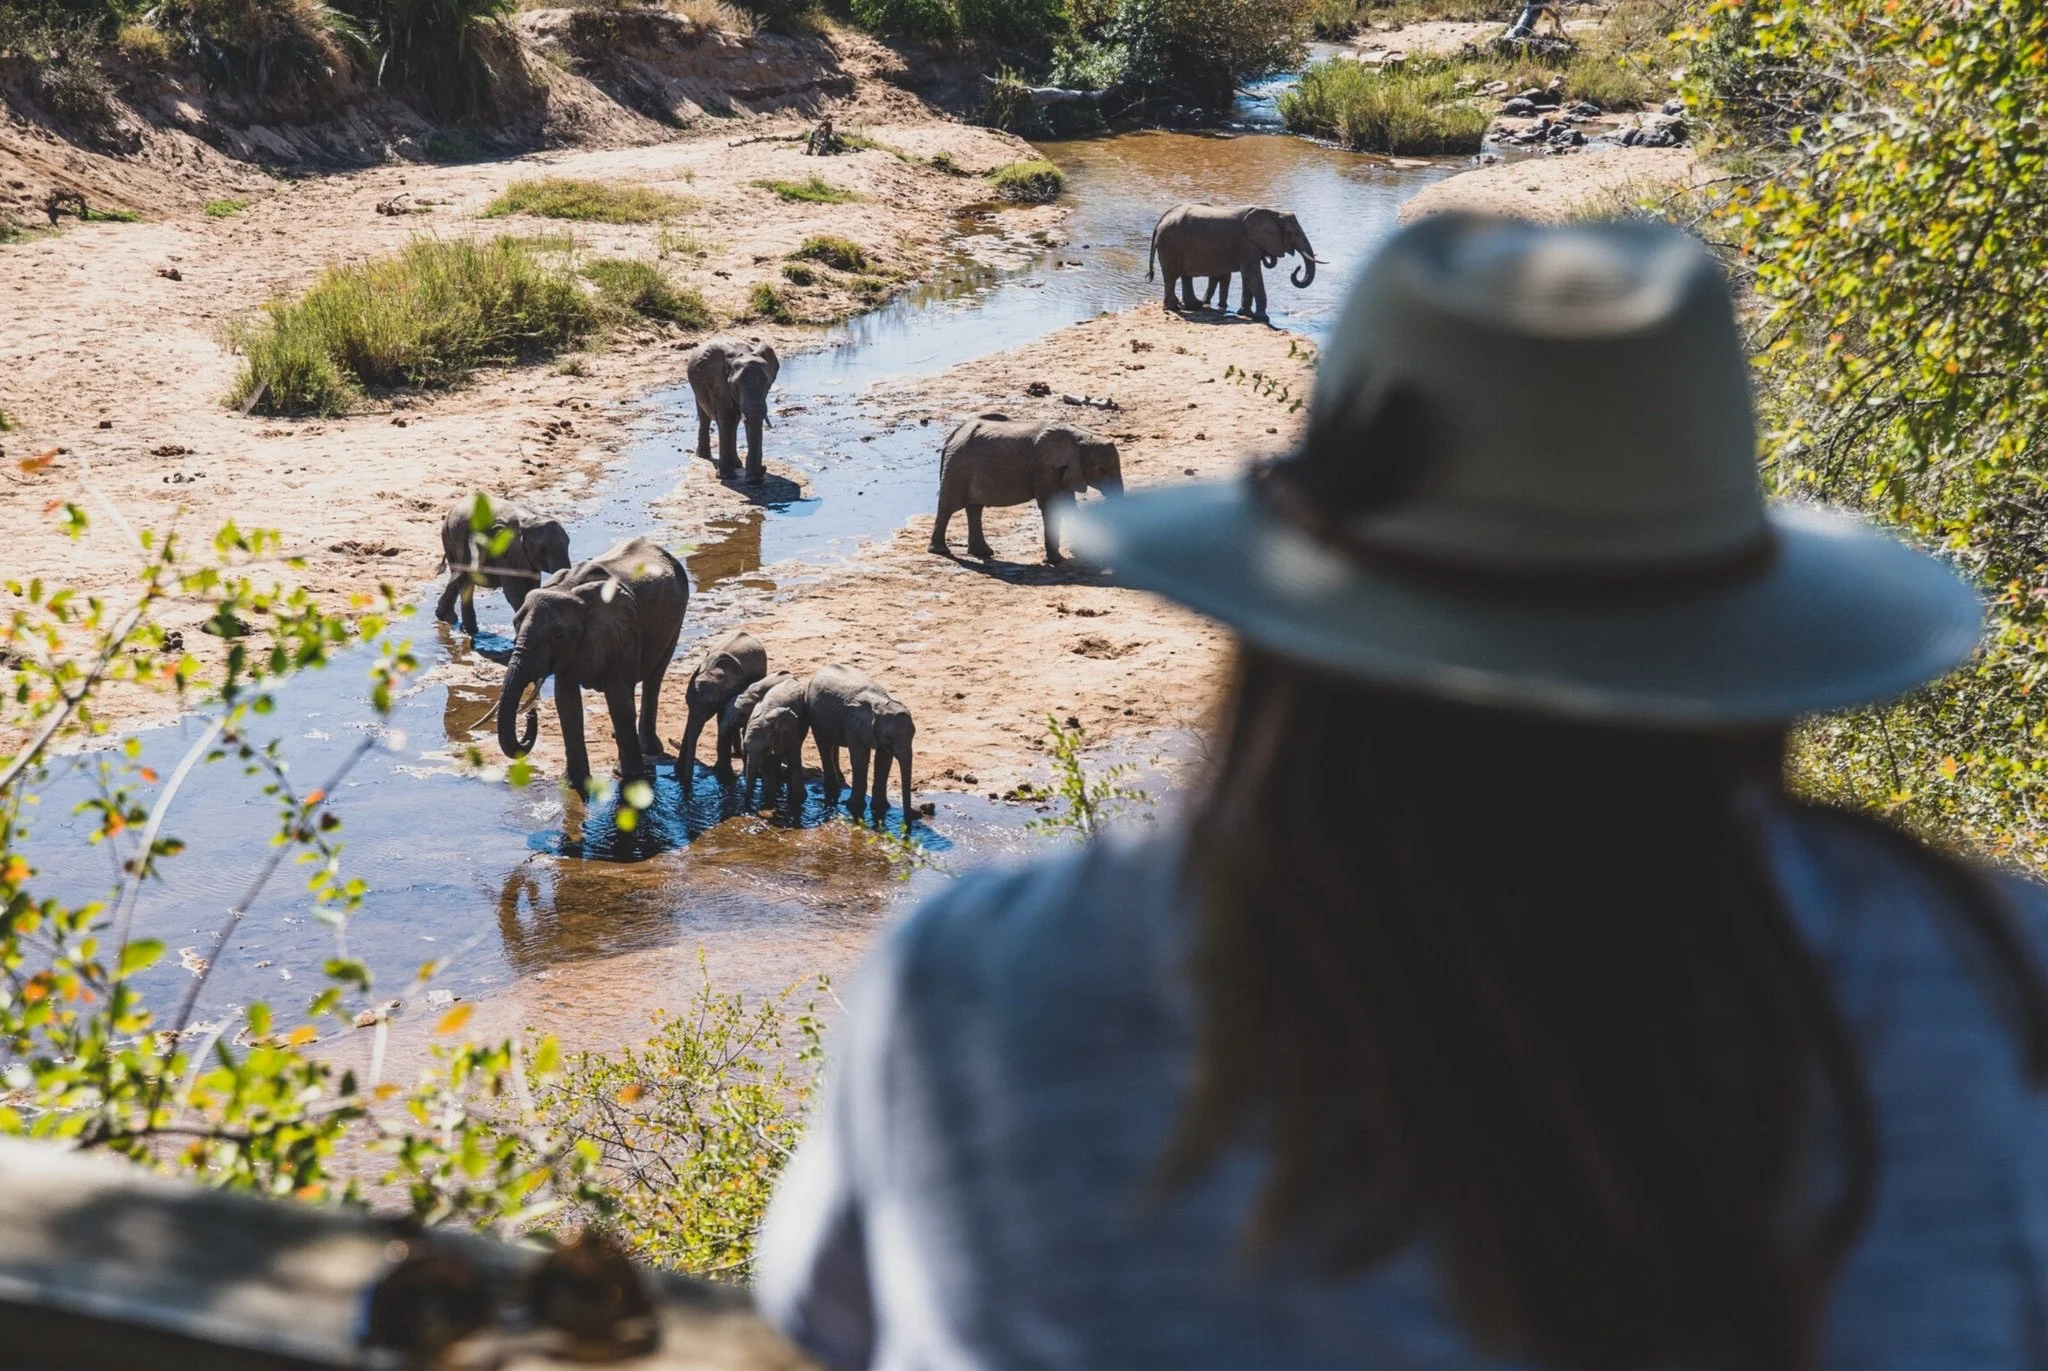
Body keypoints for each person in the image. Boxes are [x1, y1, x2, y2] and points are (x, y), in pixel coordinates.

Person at [755, 215, 2048, 1371]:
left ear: (1285, 616)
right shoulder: (1995, 981)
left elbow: (826, 1322)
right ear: (1742, 639)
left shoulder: (984, 986)